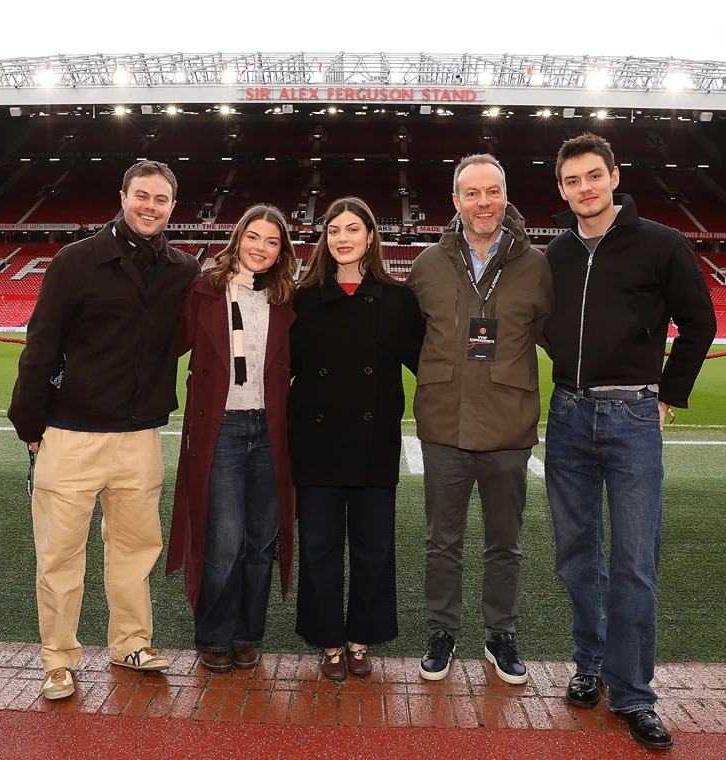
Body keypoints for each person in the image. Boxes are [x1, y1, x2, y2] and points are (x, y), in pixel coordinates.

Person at [543, 133, 717, 751]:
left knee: (635, 562)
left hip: (633, 418)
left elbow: (701, 322)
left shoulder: (661, 243)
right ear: (560, 188)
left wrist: (668, 393)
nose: (583, 189)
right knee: (576, 553)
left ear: (614, 176)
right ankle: (589, 663)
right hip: (566, 415)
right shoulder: (556, 254)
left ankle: (634, 693)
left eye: (593, 176)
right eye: (571, 181)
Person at [8, 159, 198, 701]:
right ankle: (59, 660)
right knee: (61, 555)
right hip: (71, 433)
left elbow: (178, 338)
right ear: (123, 196)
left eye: (161, 200)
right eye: (142, 195)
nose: (150, 207)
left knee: (137, 551)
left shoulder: (182, 270)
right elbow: (41, 344)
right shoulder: (76, 261)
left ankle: (131, 642)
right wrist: (30, 422)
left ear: (172, 208)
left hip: (139, 436)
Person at [406, 154, 553, 685]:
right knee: (441, 540)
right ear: (456, 201)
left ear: (505, 197)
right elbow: (409, 340)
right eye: (472, 193)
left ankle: (500, 635)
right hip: (444, 424)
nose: (483, 202)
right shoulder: (427, 265)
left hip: (508, 426)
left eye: (492, 191)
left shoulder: (536, 266)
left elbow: (559, 337)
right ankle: (441, 632)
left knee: (504, 542)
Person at [288, 197, 424, 680]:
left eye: (352, 229)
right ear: (325, 240)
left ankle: (360, 641)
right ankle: (328, 643)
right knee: (319, 547)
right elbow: (284, 368)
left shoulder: (398, 299)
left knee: (374, 548)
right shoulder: (301, 299)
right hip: (316, 443)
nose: (342, 238)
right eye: (333, 231)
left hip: (374, 443)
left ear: (371, 236)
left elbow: (428, 364)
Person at [166, 204, 298, 673]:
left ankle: (248, 632)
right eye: (253, 237)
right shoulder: (204, 290)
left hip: (271, 430)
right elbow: (166, 344)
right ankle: (214, 635)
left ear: (282, 251)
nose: (261, 248)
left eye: (272, 241)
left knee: (262, 540)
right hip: (221, 427)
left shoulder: (286, 298)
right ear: (237, 238)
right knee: (223, 539)